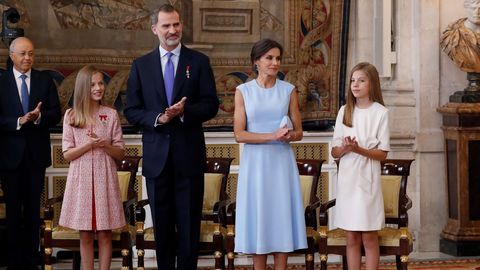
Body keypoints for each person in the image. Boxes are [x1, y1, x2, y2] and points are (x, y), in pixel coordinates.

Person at [124, 4, 218, 270]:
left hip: (188, 158)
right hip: (157, 161)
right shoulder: (141, 66)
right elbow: (131, 110)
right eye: (166, 25)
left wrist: (184, 111)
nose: (172, 30)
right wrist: (159, 118)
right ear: (154, 29)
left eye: (176, 24)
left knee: (189, 229)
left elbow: (211, 104)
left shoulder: (198, 61)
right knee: (162, 229)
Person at [233, 38, 307, 270]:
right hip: (255, 165)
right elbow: (240, 134)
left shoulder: (289, 90)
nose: (275, 63)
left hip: (281, 164)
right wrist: (271, 136)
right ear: (257, 61)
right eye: (269, 58)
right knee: (259, 219)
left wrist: (288, 136)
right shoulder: (243, 91)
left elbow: (299, 132)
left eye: (278, 58)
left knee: (281, 218)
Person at [0, 36, 61, 270]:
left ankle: (32, 260)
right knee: (14, 210)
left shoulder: (44, 80)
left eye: (31, 54)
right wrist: (18, 120)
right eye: (23, 54)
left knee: (33, 210)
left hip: (36, 156)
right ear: (12, 56)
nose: (28, 58)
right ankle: (14, 262)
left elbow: (56, 112)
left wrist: (38, 118)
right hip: (9, 157)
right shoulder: (2, 81)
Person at [59, 65, 126, 270]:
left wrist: (105, 144)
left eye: (100, 83)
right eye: (93, 85)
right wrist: (88, 145)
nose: (99, 88)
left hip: (105, 177)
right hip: (81, 180)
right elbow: (67, 154)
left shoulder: (110, 114)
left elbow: (120, 152)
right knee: (85, 234)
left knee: (105, 232)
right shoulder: (71, 116)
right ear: (82, 88)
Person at [331, 62, 390, 270]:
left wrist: (358, 150)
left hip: (368, 181)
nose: (355, 85)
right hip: (348, 180)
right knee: (352, 237)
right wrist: (346, 149)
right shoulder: (344, 111)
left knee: (369, 237)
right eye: (353, 80)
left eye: (361, 80)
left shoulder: (380, 112)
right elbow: (334, 152)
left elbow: (382, 154)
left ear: (372, 84)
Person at [441, 0, 480, 72]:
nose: (477, 13)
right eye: (473, 8)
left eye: (479, 9)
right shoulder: (452, 35)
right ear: (466, 7)